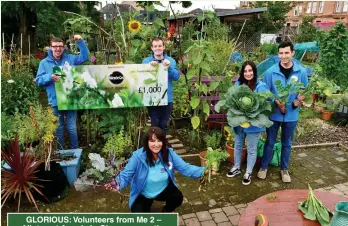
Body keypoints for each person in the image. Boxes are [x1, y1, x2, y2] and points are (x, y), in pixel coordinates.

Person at [105, 127, 205, 212]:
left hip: (162, 190)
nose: (156, 144)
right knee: (138, 215)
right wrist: (116, 184)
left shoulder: (168, 153)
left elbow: (185, 168)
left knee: (177, 198)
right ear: (147, 142)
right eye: (152, 141)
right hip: (143, 193)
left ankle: (166, 212)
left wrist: (205, 170)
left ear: (163, 141)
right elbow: (125, 175)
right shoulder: (137, 157)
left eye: (159, 140)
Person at [258, 42, 308, 183]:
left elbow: (304, 91)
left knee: (287, 143)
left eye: (286, 53)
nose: (283, 56)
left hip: (292, 114)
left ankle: (284, 169)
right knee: (270, 141)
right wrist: (276, 102)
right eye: (281, 53)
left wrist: (297, 101)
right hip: (274, 114)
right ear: (278, 54)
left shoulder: (301, 72)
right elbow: (266, 93)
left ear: (293, 53)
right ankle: (264, 167)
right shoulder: (270, 72)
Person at [35, 35, 89, 149]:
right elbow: (39, 80)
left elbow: (85, 57)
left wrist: (80, 42)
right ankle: (61, 152)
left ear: (63, 48)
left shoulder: (70, 59)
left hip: (70, 99)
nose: (58, 49)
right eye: (55, 47)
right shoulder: (44, 63)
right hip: (55, 100)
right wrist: (49, 77)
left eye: (60, 46)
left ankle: (75, 151)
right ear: (50, 48)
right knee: (58, 128)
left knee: (71, 127)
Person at [226, 61, 270, 186]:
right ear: (242, 73)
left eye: (250, 70)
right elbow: (232, 102)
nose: (248, 73)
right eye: (245, 71)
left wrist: (252, 114)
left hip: (254, 123)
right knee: (238, 145)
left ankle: (248, 172)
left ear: (254, 72)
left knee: (251, 148)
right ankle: (237, 167)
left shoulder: (261, 86)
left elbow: (264, 104)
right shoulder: (238, 84)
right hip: (239, 122)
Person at [142, 37, 180, 134]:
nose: (157, 48)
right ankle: (155, 145)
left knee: (163, 124)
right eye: (155, 46)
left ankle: (163, 145)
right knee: (155, 124)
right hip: (152, 98)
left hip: (167, 98)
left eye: (159, 46)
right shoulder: (146, 61)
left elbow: (176, 77)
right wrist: (149, 68)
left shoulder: (170, 60)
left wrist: (169, 67)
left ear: (163, 47)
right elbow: (142, 79)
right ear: (152, 48)